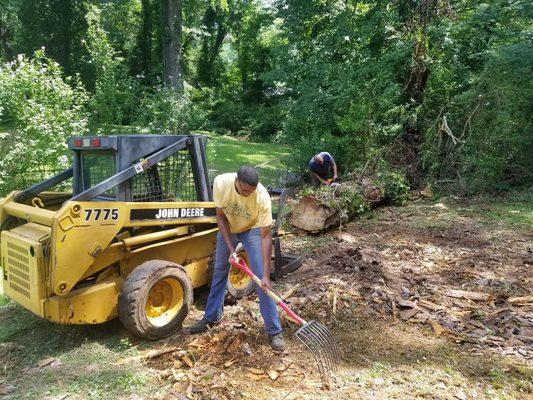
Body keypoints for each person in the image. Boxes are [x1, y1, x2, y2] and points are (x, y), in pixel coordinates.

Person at [186, 166, 285, 351]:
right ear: (237, 182)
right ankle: (211, 317)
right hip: (229, 228)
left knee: (262, 281)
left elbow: (265, 237)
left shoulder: (261, 196)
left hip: (253, 230)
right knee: (220, 272)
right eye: (246, 190)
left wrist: (265, 273)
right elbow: (221, 217)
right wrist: (232, 249)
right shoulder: (221, 183)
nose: (249, 194)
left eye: (252, 191)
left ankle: (274, 331)